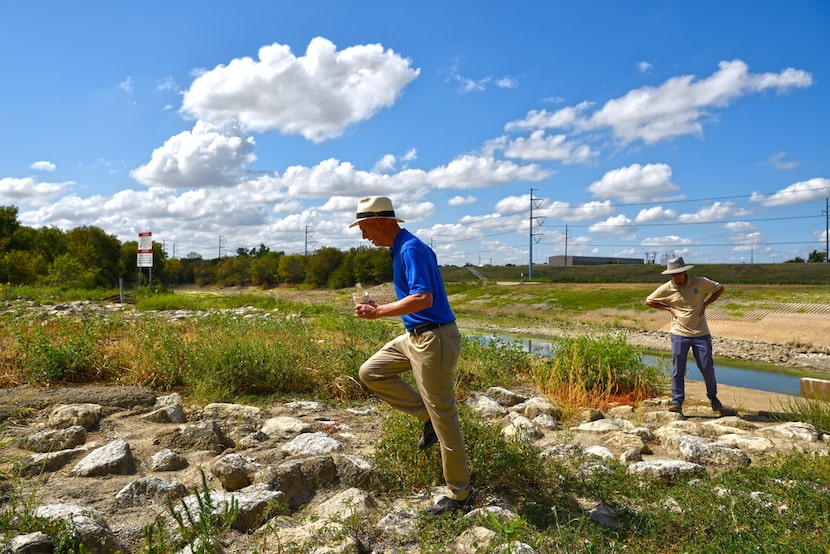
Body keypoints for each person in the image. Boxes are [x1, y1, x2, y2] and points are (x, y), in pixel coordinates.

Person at [349, 196, 474, 515]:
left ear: (381, 221)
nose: (364, 237)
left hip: (434, 339)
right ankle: (425, 417)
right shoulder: (402, 248)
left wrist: (380, 312)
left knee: (445, 416)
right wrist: (385, 306)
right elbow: (415, 296)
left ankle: (460, 496)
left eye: (364, 228)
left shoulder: (410, 248)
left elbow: (423, 297)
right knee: (371, 372)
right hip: (416, 336)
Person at [645, 256, 725, 415]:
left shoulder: (700, 282)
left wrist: (706, 304)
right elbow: (649, 301)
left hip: (701, 333)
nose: (676, 277)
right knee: (678, 369)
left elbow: (720, 288)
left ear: (685, 271)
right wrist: (668, 309)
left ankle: (713, 397)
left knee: (706, 367)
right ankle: (677, 401)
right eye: (673, 274)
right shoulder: (667, 288)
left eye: (679, 273)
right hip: (679, 334)